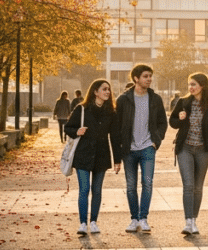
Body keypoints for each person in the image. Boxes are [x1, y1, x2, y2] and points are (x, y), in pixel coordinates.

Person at [113, 64, 168, 234]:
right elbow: (117, 127)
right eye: (145, 76)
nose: (149, 79)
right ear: (136, 78)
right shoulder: (123, 99)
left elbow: (162, 123)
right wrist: (119, 152)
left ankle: (143, 218)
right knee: (131, 186)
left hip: (147, 148)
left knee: (148, 183)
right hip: (129, 150)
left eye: (150, 76)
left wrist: (155, 142)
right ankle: (133, 219)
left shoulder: (156, 99)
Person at [169, 73, 208, 236]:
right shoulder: (183, 102)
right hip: (185, 149)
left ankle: (194, 220)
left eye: (194, 84)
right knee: (189, 185)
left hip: (203, 150)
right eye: (189, 84)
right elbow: (172, 123)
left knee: (198, 187)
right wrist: (179, 119)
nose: (190, 88)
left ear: (203, 86)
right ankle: (188, 222)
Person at [64, 79, 119, 236]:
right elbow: (67, 127)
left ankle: (93, 222)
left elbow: (115, 136)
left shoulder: (111, 112)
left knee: (97, 190)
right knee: (84, 189)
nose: (108, 92)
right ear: (95, 91)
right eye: (104, 89)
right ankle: (83, 223)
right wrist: (77, 131)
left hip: (101, 155)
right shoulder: (82, 109)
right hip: (83, 155)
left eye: (109, 89)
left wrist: (117, 160)